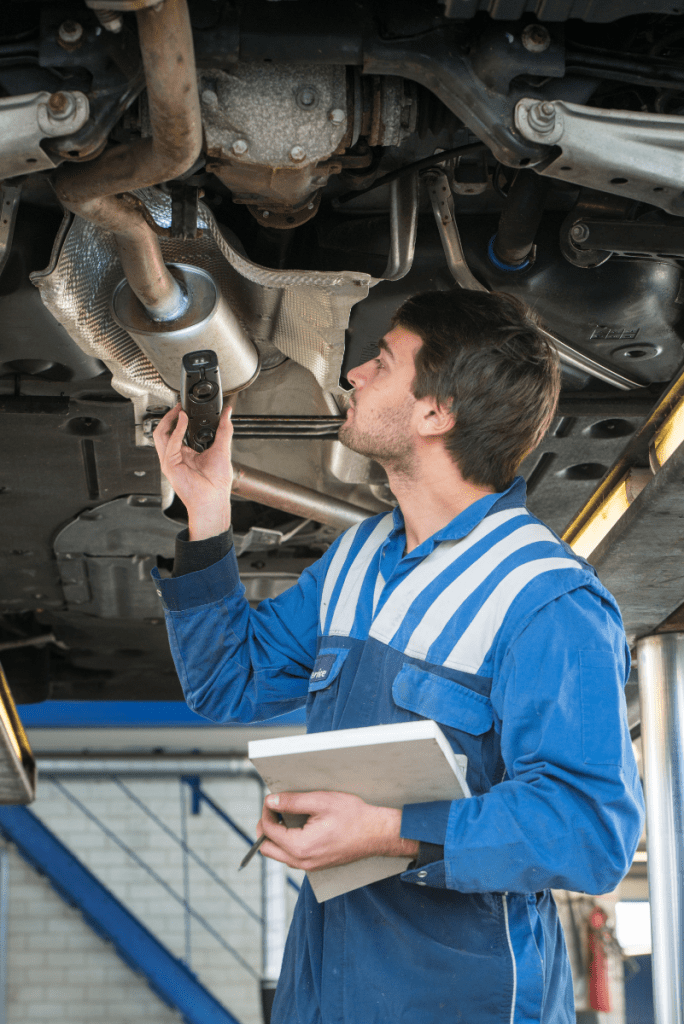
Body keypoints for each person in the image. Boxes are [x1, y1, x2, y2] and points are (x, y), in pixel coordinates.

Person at [152, 289, 644, 1024]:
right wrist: (207, 510)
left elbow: (591, 829)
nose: (353, 373)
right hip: (324, 986)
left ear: (435, 414)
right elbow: (229, 680)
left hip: (457, 998)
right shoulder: (358, 558)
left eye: (381, 363)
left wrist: (385, 829)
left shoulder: (544, 601)